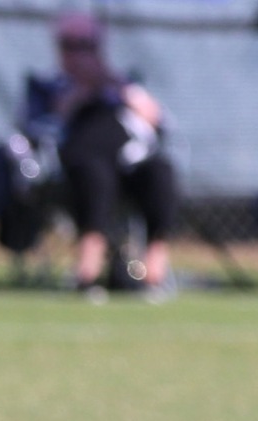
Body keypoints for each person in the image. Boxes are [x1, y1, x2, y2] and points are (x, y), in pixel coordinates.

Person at [44, 14, 175, 300]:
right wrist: (81, 94)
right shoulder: (50, 86)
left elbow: (158, 120)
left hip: (128, 166)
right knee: (95, 173)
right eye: (71, 45)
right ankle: (88, 272)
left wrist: (114, 86)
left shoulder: (122, 84)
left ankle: (153, 271)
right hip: (75, 167)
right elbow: (45, 126)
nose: (80, 54)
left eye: (87, 46)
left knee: (160, 170)